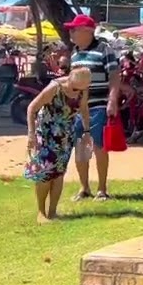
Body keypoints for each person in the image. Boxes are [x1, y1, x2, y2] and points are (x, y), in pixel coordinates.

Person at [23, 66, 90, 223]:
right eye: (74, 88)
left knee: (59, 173)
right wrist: (31, 134)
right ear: (69, 81)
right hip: (46, 134)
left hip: (65, 136)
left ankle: (53, 212)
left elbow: (84, 109)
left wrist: (87, 131)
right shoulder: (55, 88)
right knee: (45, 173)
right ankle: (41, 212)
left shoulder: (82, 90)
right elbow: (32, 108)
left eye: (79, 89)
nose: (76, 92)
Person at [66, 14, 121, 202]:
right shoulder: (74, 54)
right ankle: (84, 187)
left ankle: (102, 189)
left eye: (74, 29)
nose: (71, 33)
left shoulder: (104, 50)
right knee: (81, 148)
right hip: (79, 110)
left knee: (99, 147)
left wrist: (112, 100)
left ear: (87, 32)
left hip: (98, 106)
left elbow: (114, 76)